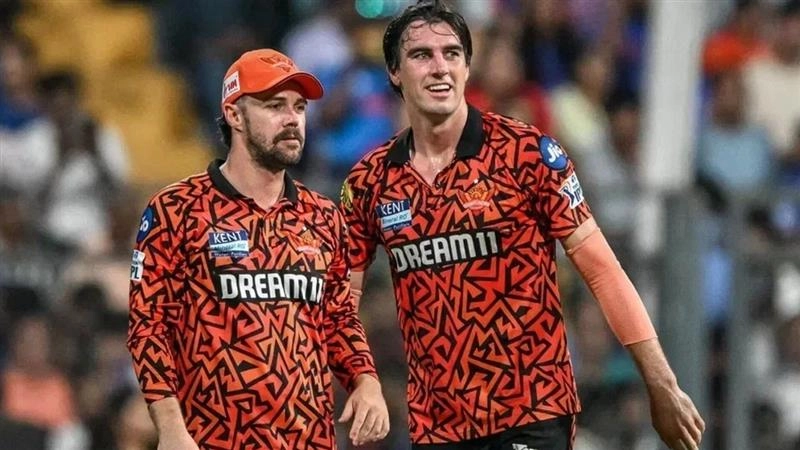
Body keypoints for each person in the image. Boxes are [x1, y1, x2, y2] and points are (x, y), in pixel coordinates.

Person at [339, 1, 705, 449]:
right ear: (395, 72)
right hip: (437, 426)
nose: (439, 68)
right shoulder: (370, 181)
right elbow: (342, 300)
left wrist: (662, 382)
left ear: (468, 67)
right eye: (421, 55)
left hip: (532, 411)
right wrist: (363, 379)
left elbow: (602, 270)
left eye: (452, 54)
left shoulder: (527, 153)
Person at [127, 48, 389, 449]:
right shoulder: (177, 209)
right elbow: (148, 326)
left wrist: (365, 379)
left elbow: (338, 319)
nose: (292, 119)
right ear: (234, 114)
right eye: (274, 105)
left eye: (299, 107)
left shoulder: (323, 217)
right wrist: (170, 428)